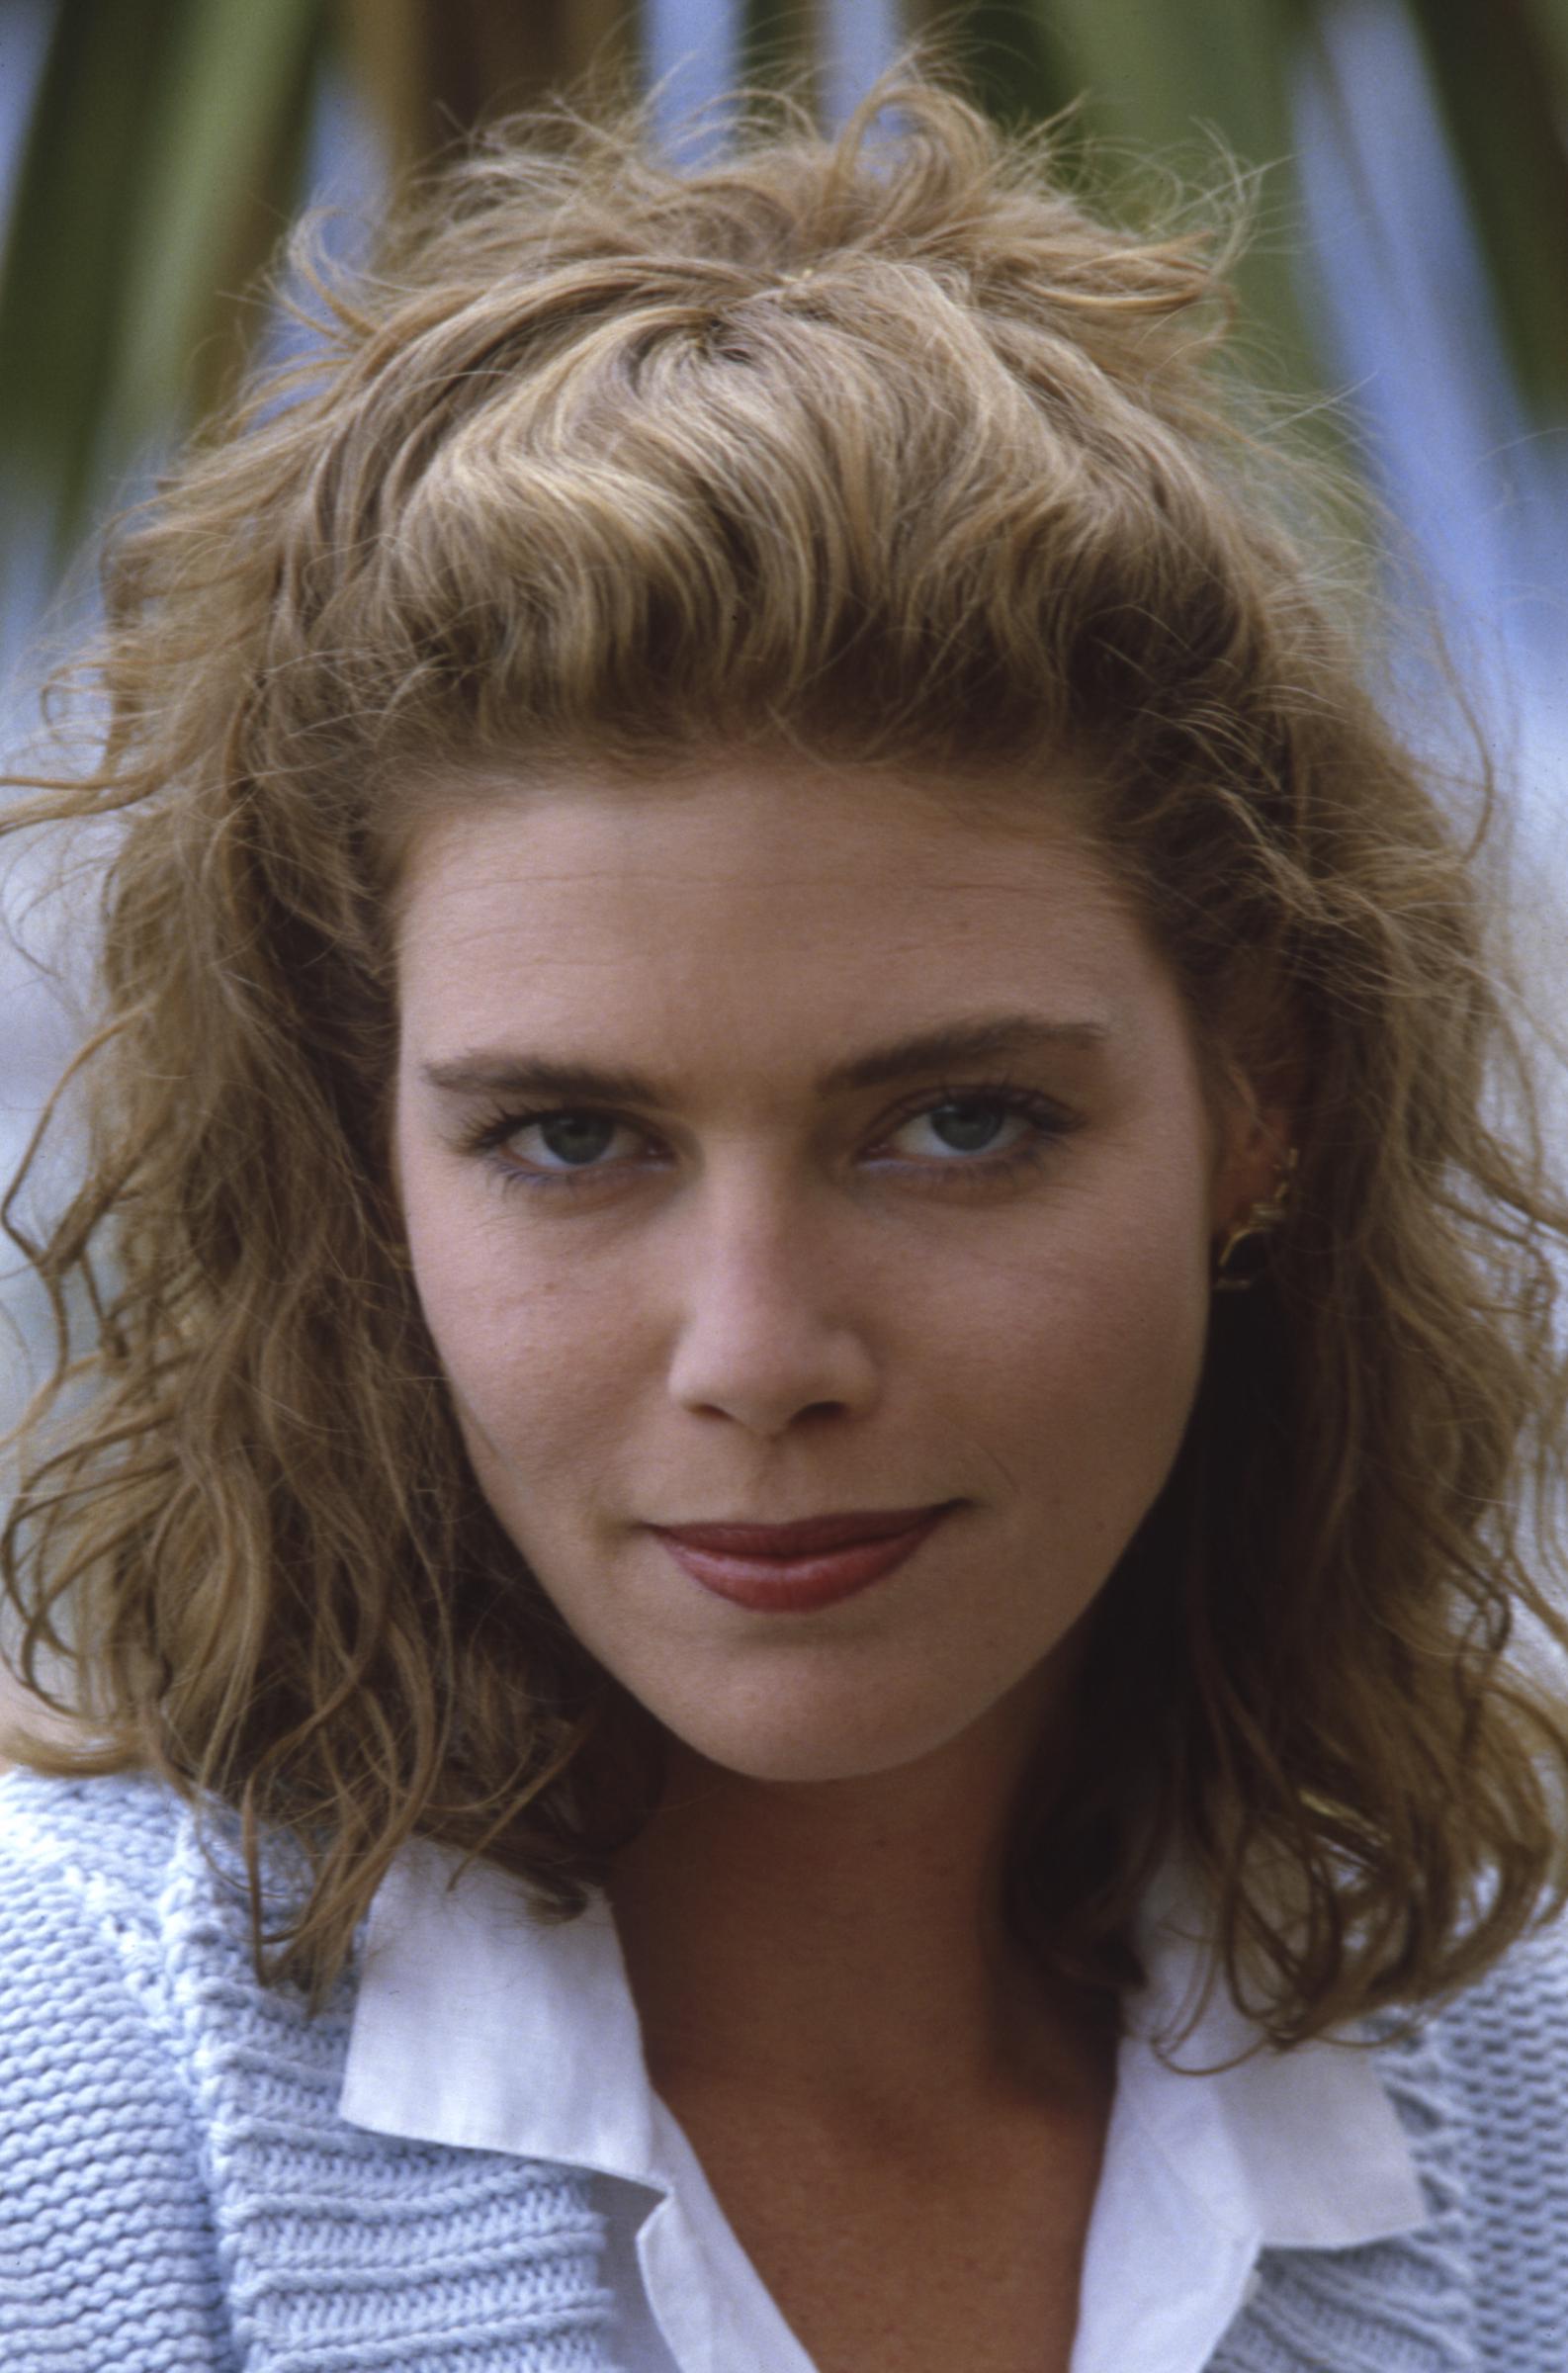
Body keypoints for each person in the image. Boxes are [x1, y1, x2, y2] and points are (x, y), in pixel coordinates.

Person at [3, 50, 1567, 2373]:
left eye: (950, 1125)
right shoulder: (67, 2113)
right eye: (567, 1139)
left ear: (1264, 1097)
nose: (757, 1350)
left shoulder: (1525, 2107)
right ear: (360, 1163)